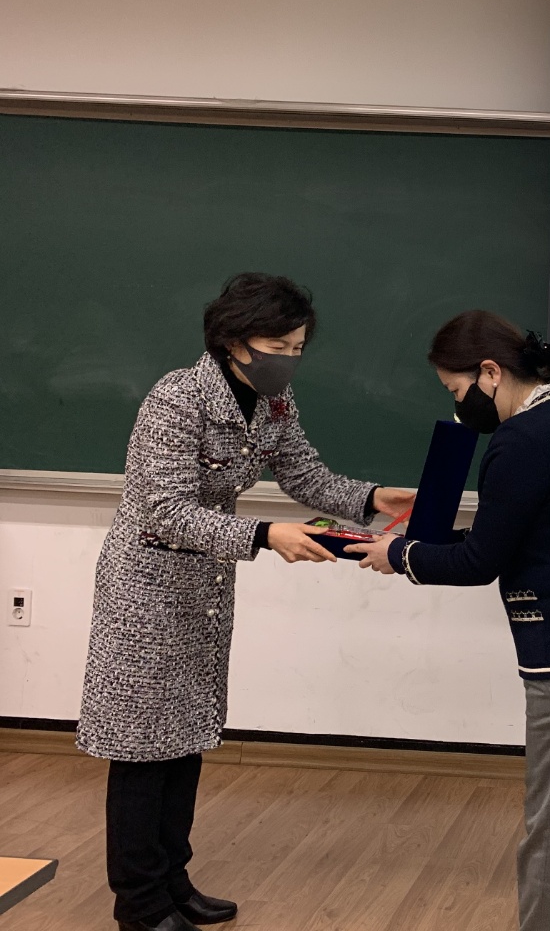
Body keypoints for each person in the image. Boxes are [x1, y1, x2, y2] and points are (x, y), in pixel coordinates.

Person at [76, 273, 414, 931]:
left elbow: (303, 473)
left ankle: (173, 881)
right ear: (232, 340)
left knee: (185, 739)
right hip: (146, 590)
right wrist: (264, 535)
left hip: (203, 588)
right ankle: (139, 903)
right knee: (143, 749)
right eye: (276, 346)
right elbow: (165, 511)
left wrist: (374, 498)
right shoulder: (176, 399)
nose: (288, 359)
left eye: (298, 347)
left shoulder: (273, 401)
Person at [348, 310, 550, 931]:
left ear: (490, 372)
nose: (458, 406)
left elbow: (479, 563)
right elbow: (508, 538)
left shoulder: (520, 441)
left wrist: (400, 555)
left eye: (457, 389)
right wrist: (417, 545)